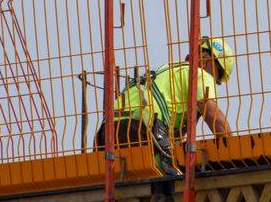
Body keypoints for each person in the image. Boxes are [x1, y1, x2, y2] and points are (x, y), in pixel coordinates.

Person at [98, 35, 234, 173]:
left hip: (106, 132)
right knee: (172, 179)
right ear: (206, 60)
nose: (216, 82)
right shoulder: (198, 73)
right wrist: (231, 151)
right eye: (218, 75)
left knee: (124, 180)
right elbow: (214, 117)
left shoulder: (166, 70)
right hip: (140, 128)